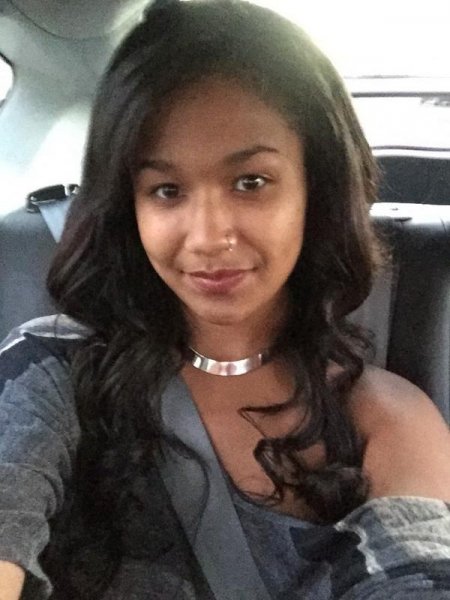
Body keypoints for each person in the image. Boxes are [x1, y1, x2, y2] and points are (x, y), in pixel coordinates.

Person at [1, 0, 450, 598]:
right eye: (166, 190)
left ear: (314, 189)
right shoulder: (53, 369)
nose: (208, 237)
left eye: (250, 182)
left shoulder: (385, 420)